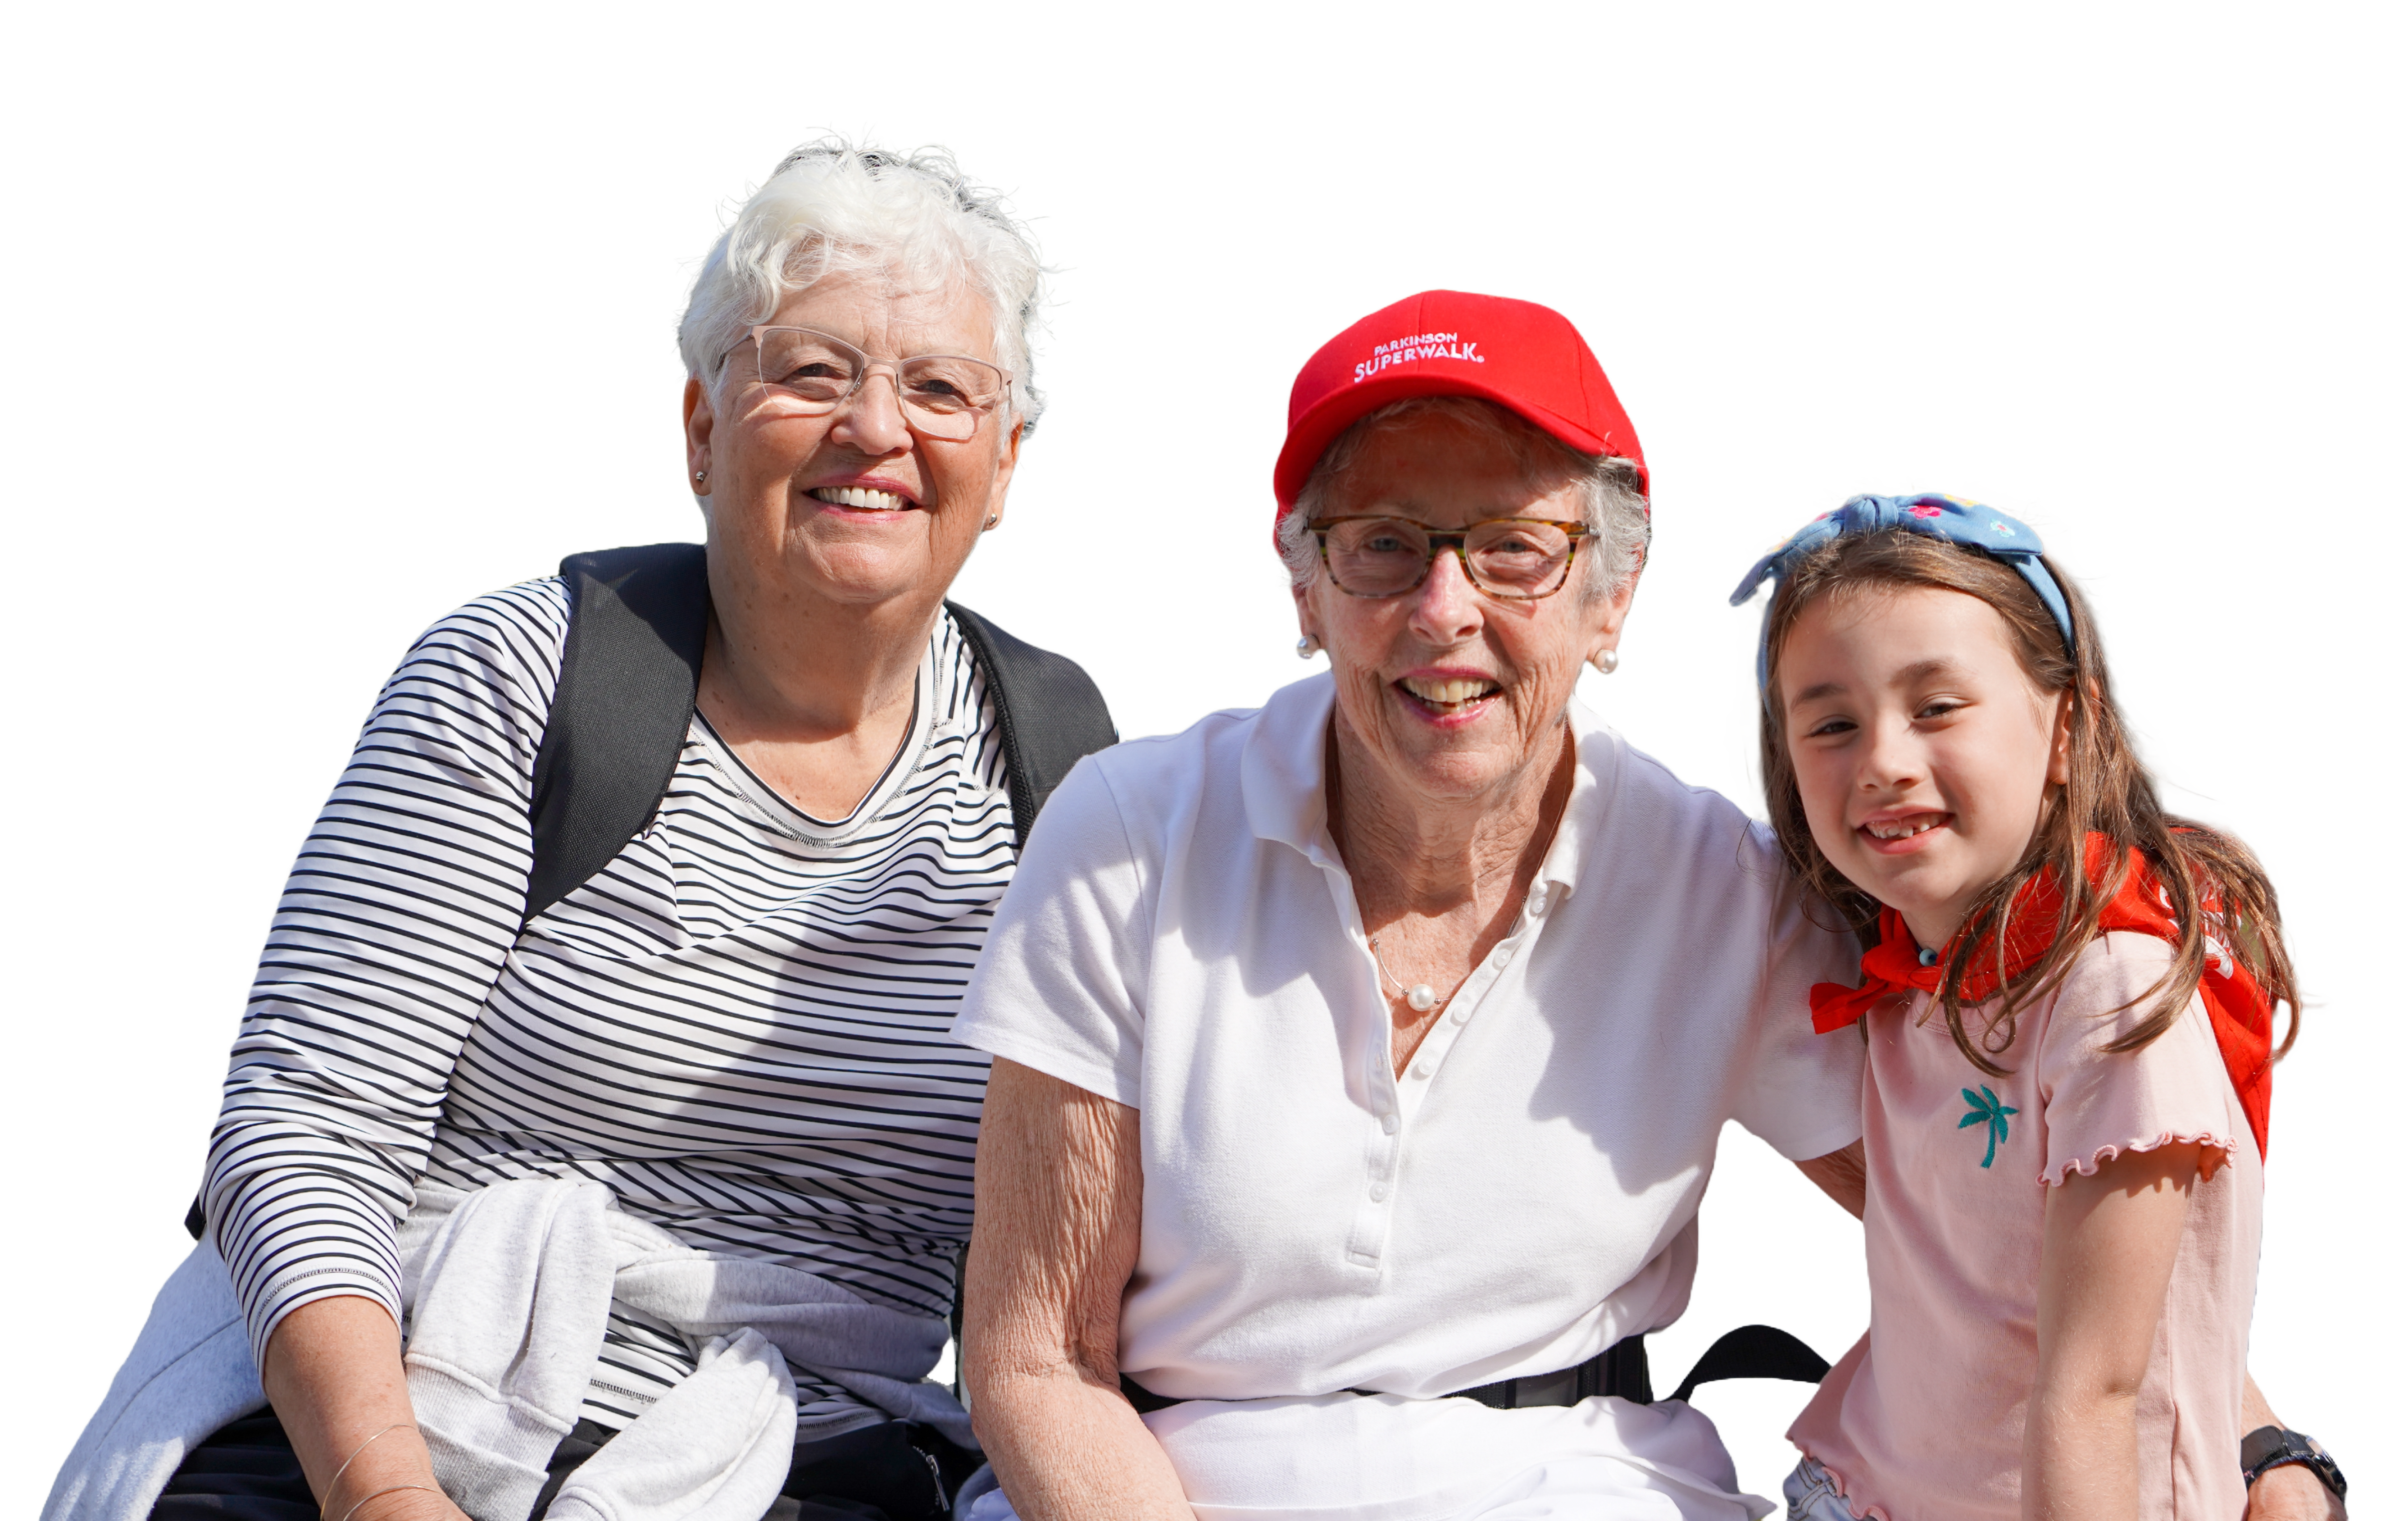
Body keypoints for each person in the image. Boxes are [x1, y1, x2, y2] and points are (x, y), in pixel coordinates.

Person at [48, 133, 1109, 1521]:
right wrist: (386, 1499)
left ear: (1008, 459)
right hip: (392, 1407)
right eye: (811, 371)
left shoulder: (1068, 786)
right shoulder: (522, 678)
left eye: (939, 390)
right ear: (701, 429)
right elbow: (306, 1132)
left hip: (819, 1463)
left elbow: (1106, 1277)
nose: (874, 429)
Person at [952, 290, 1877, 1521]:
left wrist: (2230, 1426)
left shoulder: (1719, 884)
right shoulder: (1129, 836)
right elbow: (1038, 1357)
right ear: (1305, 591)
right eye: (1382, 544)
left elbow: (1973, 1230)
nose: (1444, 611)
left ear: (1611, 597)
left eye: (1513, 547)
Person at [1731, 495, 2347, 1521]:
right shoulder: (1907, 966)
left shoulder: (2109, 989)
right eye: (1832, 722)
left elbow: (2098, 1385)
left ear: (2068, 730)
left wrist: (2274, 1452)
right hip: (1863, 1488)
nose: (1882, 757)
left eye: (1937, 706)